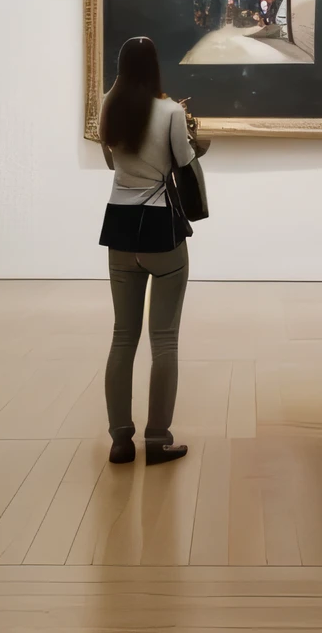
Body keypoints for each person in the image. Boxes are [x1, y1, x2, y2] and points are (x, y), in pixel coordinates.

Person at [97, 37, 209, 466]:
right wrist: (197, 142)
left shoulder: (109, 105)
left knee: (123, 336)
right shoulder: (171, 112)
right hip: (160, 226)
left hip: (119, 225)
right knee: (164, 340)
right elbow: (182, 160)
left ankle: (120, 440)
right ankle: (158, 438)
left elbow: (112, 163)